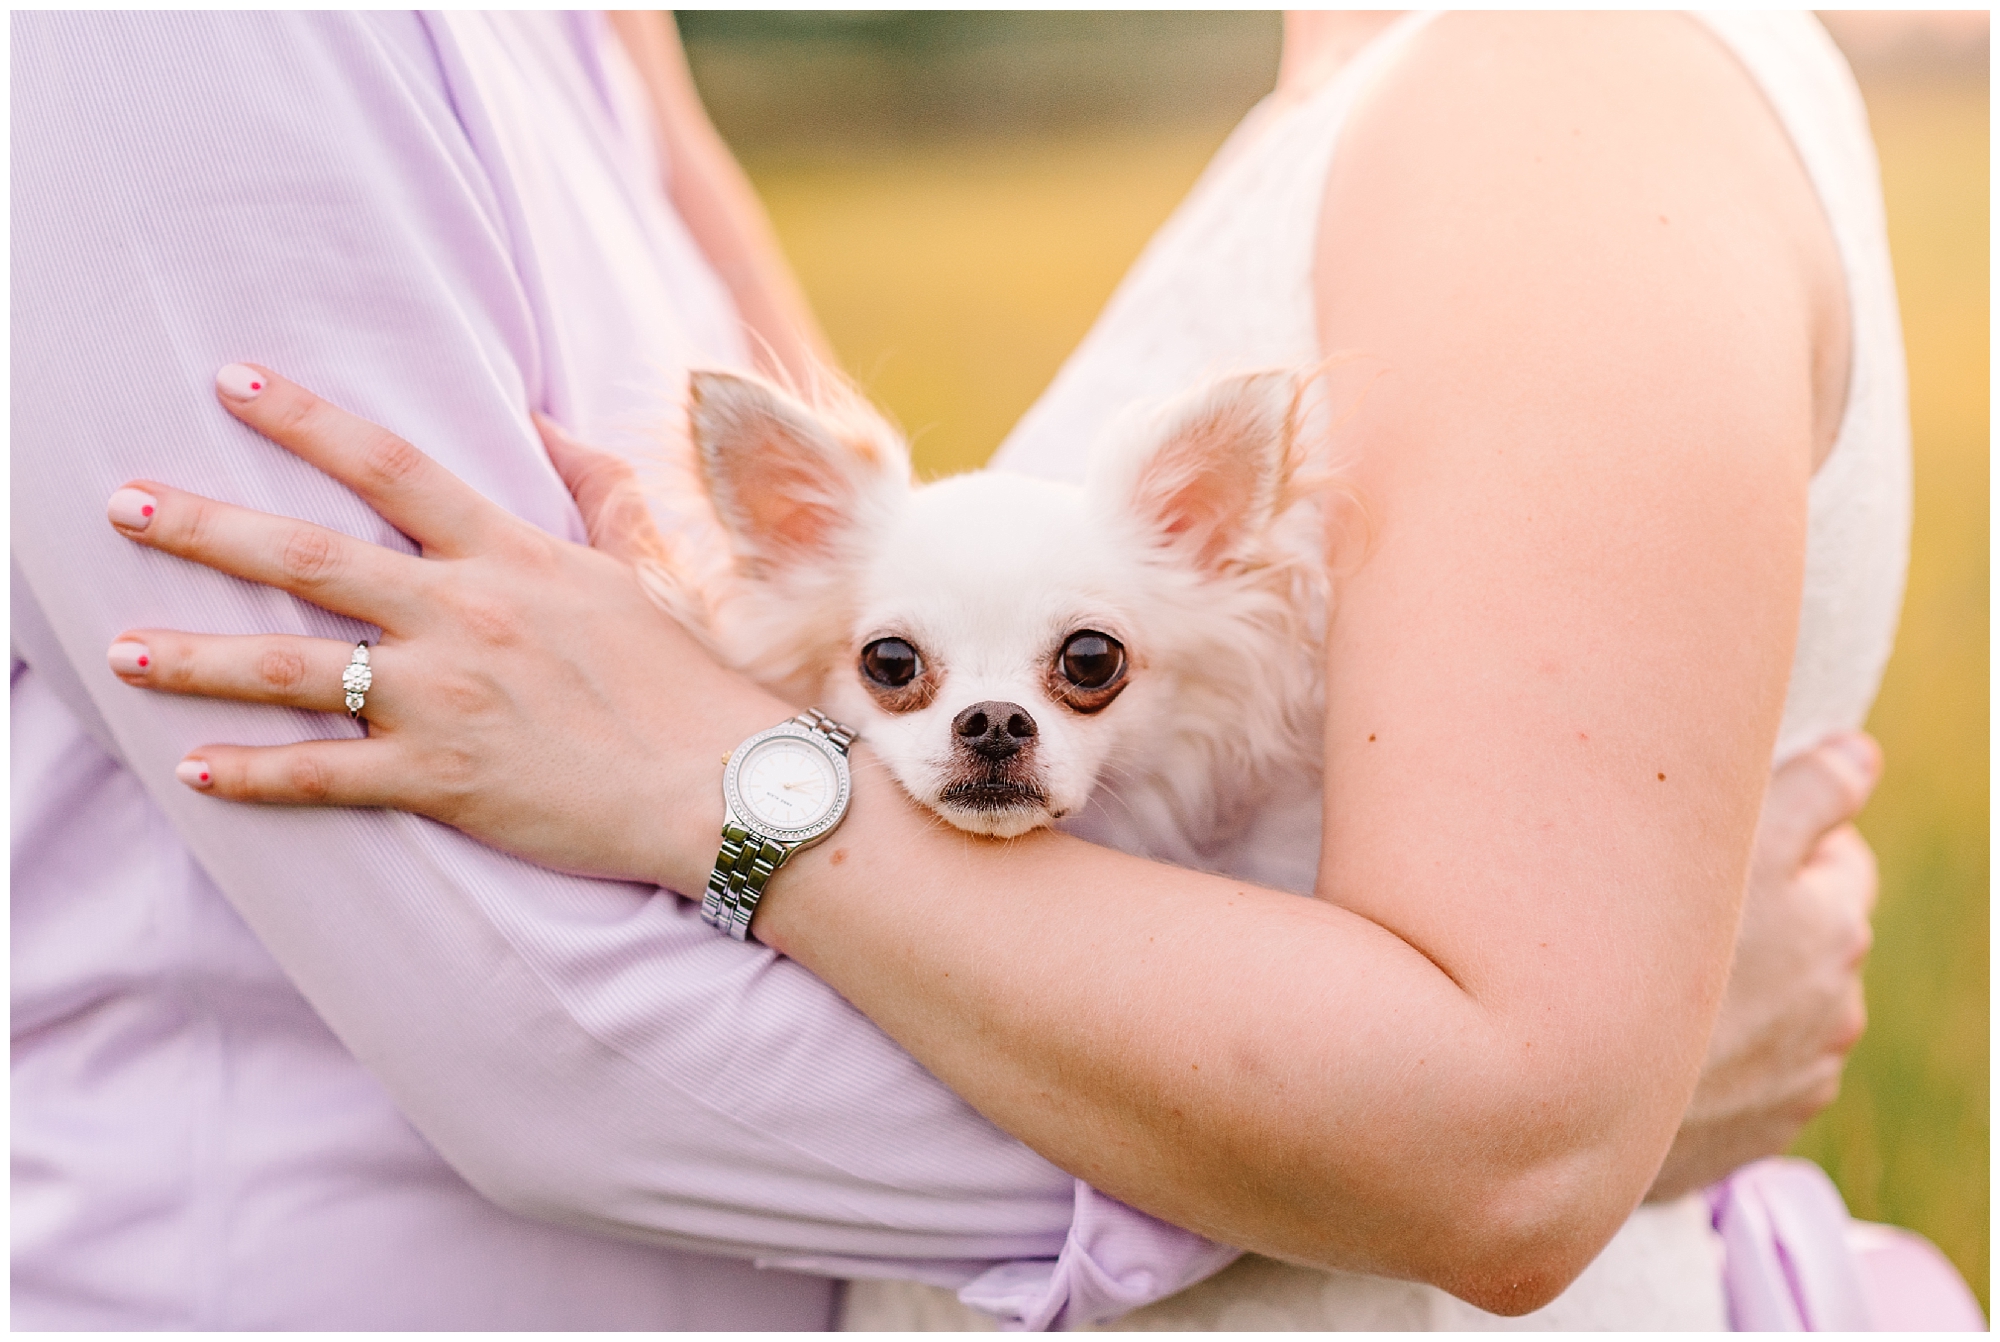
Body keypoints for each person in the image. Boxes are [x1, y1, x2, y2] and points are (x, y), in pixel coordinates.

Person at [13, 9, 1934, 1332]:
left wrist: (728, 785)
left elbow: (1499, 1131)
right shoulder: (1407, 111)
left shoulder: (1551, 108)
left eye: (1082, 670)